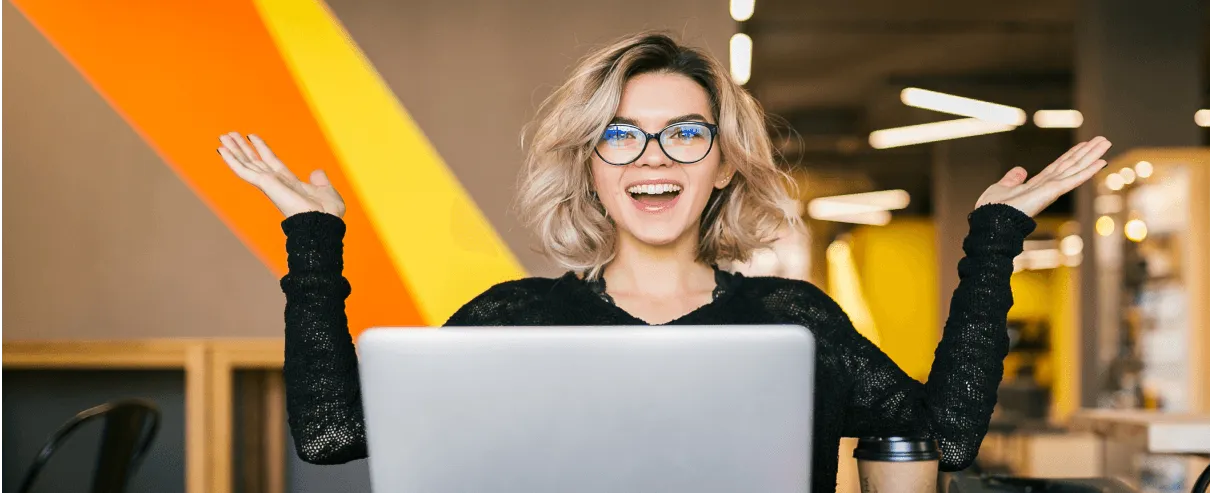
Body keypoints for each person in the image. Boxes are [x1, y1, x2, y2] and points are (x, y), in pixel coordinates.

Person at [216, 31, 1111, 493]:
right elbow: (333, 435)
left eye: (686, 134)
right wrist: (312, 237)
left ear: (722, 164)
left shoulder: (792, 319)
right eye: (622, 135)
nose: (654, 157)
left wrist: (993, 236)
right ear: (589, 164)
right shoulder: (513, 319)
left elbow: (943, 437)